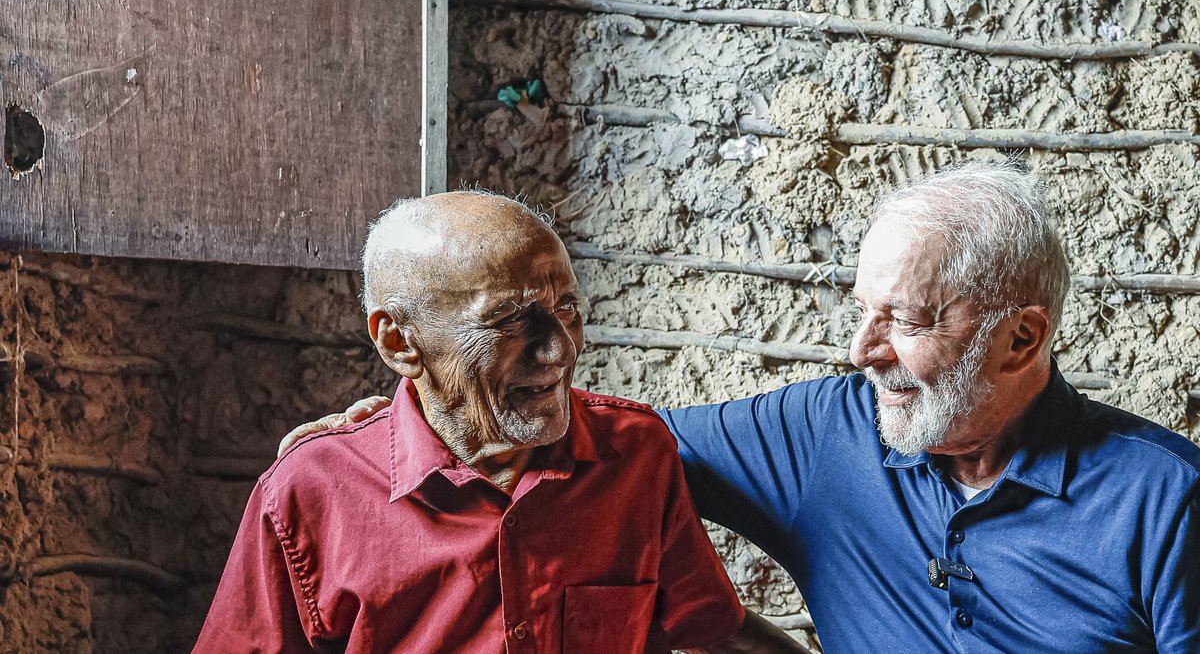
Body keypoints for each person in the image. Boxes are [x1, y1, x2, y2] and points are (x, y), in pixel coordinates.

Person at [290, 162, 1199, 652]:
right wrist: (422, 401)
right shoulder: (824, 433)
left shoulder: (1165, 502)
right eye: (861, 312)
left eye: (908, 321)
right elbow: (594, 442)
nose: (862, 352)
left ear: (1022, 340)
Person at [196, 191, 801, 653]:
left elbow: (714, 628)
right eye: (510, 321)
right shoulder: (311, 491)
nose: (559, 350)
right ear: (400, 341)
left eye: (567, 307)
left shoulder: (636, 456)